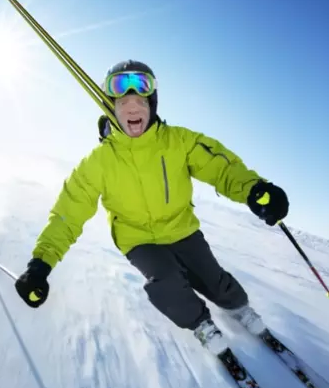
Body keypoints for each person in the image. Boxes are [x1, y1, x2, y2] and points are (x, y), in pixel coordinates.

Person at [15, 60, 289, 349]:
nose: (132, 108)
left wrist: (255, 189)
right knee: (166, 282)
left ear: (152, 104)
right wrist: (40, 264)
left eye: (140, 101)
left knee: (214, 280)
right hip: (138, 239)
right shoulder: (98, 162)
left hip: (182, 229)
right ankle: (201, 325)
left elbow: (220, 167)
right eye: (123, 101)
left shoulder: (179, 141)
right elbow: (68, 213)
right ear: (110, 107)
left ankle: (239, 309)